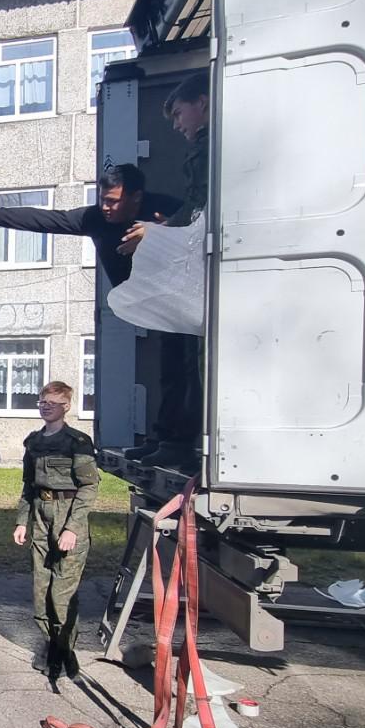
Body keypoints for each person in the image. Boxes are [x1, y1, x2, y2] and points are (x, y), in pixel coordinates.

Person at [119, 71, 210, 471]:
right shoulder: (205, 147)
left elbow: (202, 207)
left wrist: (160, 230)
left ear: (202, 103)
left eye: (178, 114)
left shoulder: (214, 148)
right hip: (189, 275)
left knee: (188, 364)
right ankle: (167, 437)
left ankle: (179, 441)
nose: (176, 125)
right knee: (174, 360)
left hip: (198, 277)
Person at [0, 164, 181, 288]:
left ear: (136, 197)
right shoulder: (94, 218)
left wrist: (161, 232)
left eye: (112, 201)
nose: (105, 207)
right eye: (101, 200)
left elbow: (199, 228)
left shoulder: (165, 209)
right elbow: (45, 219)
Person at [14, 380, 99, 693]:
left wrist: (72, 528)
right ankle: (51, 644)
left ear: (67, 406)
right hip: (40, 517)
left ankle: (64, 651)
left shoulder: (78, 442)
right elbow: (28, 486)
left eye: (53, 403)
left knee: (61, 595)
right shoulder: (34, 442)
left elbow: (89, 487)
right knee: (41, 590)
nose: (46, 407)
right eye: (42, 402)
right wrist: (22, 522)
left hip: (67, 516)